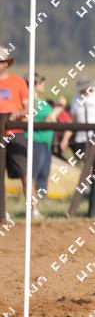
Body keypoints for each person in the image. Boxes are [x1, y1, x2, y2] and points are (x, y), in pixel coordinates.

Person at [0, 47, 31, 224]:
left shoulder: (18, 82)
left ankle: (33, 210)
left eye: (1, 61)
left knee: (24, 172)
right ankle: (3, 213)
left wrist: (17, 115)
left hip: (15, 133)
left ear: (6, 63)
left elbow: (29, 107)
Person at [26, 73, 54, 218]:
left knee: (44, 173)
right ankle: (33, 207)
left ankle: (41, 201)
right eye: (40, 82)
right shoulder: (29, 101)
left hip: (46, 141)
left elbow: (51, 117)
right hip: (35, 140)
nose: (43, 84)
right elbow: (26, 119)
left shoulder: (42, 100)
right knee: (32, 174)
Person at [60, 76, 95, 158]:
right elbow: (72, 121)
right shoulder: (76, 98)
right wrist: (65, 139)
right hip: (80, 141)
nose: (81, 91)